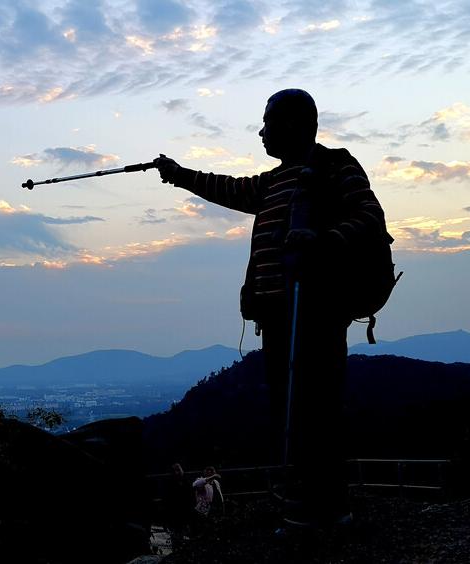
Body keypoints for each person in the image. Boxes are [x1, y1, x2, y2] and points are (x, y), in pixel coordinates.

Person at [155, 89, 390, 528]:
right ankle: (306, 501)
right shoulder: (275, 180)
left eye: (268, 122)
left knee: (315, 407)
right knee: (290, 406)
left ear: (295, 124)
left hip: (316, 310)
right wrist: (180, 174)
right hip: (278, 315)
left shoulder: (333, 165)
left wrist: (323, 240)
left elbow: (369, 215)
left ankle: (327, 505)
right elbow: (229, 188)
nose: (261, 131)